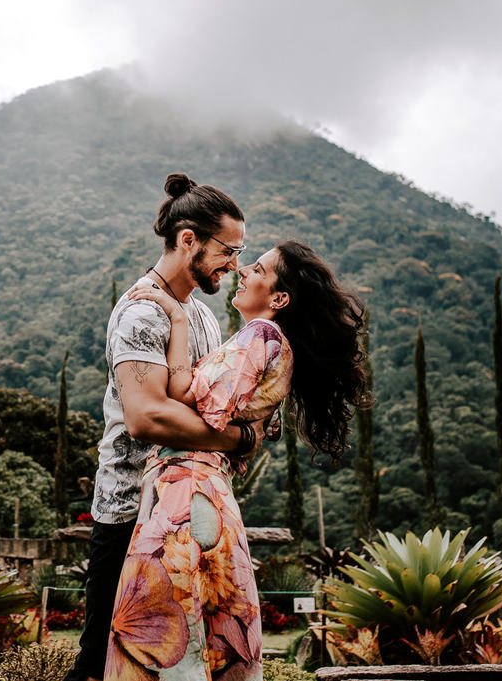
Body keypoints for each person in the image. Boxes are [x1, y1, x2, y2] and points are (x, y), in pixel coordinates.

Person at [105, 239, 369, 680]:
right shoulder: (274, 345)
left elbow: (187, 396)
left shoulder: (261, 334)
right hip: (205, 490)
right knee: (209, 635)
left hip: (185, 494)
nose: (243, 270)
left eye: (259, 269)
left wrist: (175, 317)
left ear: (279, 298)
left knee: (162, 637)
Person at [63, 173, 265, 681]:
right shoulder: (140, 311)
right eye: (229, 249)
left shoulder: (202, 316)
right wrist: (237, 440)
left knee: (193, 660)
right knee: (104, 663)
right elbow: (146, 415)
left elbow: (208, 400)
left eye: (242, 252)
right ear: (188, 238)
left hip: (187, 507)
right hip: (132, 512)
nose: (235, 264)